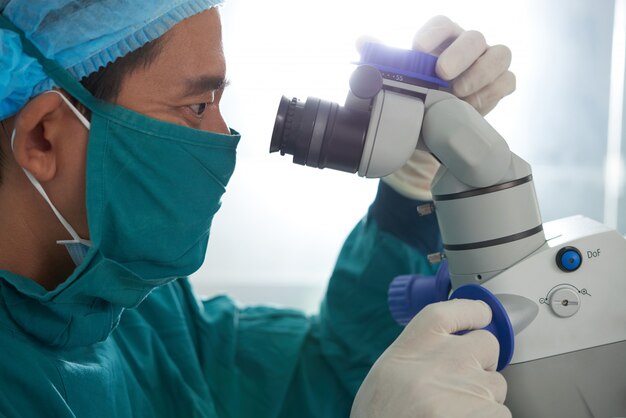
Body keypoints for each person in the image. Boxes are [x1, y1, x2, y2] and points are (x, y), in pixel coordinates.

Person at [0, 1, 515, 417]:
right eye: (197, 107)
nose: (224, 139)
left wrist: (411, 183)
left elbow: (321, 379)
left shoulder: (131, 310)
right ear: (45, 137)